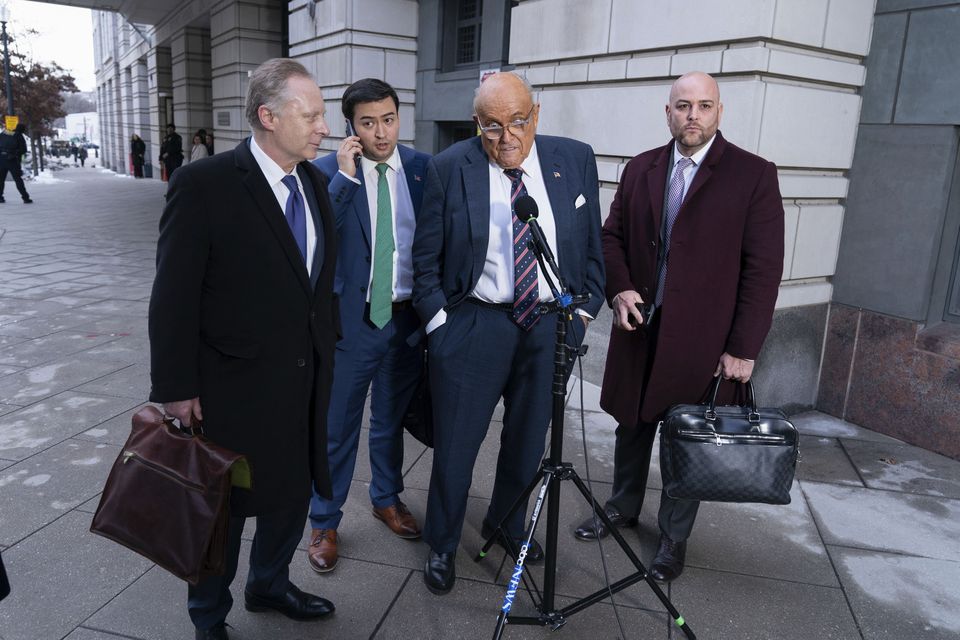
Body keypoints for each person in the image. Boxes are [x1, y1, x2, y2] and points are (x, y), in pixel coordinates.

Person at [148, 58, 339, 640]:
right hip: (231, 391)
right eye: (310, 116)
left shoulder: (315, 182)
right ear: (267, 116)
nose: (323, 128)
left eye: (322, 115)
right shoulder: (203, 185)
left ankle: (269, 584)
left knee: (289, 498)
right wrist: (176, 389)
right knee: (223, 514)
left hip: (303, 382)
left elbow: (312, 283)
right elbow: (173, 296)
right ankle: (209, 617)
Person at [575, 71, 784, 583]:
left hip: (703, 339)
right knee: (631, 422)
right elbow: (611, 237)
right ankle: (623, 506)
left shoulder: (753, 174)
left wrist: (742, 348)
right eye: (683, 105)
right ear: (667, 112)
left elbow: (764, 269)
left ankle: (673, 536)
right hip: (641, 326)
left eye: (704, 106)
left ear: (719, 112)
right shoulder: (642, 167)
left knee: (686, 436)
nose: (693, 115)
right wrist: (620, 289)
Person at [413, 71, 604, 595]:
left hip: (549, 326)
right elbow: (424, 258)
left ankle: (506, 525)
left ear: (536, 115)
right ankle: (444, 543)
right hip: (476, 323)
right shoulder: (450, 167)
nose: (507, 138)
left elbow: (590, 246)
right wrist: (439, 325)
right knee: (457, 443)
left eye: (518, 122)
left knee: (527, 441)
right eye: (492, 126)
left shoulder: (574, 159)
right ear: (477, 125)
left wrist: (583, 311)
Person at [307, 79, 430, 573]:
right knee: (338, 427)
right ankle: (324, 519)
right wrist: (345, 177)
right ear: (350, 128)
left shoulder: (422, 170)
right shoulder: (327, 172)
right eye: (368, 123)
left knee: (389, 421)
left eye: (388, 119)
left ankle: (386, 498)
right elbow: (316, 237)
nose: (381, 132)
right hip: (352, 324)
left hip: (404, 320)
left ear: (400, 117)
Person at [0, 124, 33, 203]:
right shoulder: (19, 136)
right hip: (12, 161)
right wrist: (15, 153)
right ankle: (25, 197)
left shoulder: (5, 132)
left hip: (1, 159)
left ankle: (0, 197)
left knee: (1, 180)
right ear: (22, 130)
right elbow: (23, 150)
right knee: (18, 180)